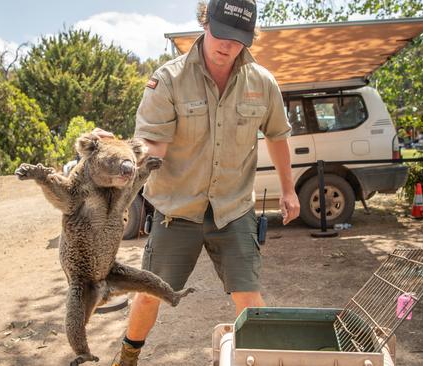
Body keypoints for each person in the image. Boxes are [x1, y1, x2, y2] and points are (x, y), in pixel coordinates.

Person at [109, 1, 300, 364]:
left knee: (248, 297)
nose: (227, 45)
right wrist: (129, 165)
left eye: (237, 39)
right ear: (204, 22)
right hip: (176, 210)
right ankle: (128, 356)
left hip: (233, 209)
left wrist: (289, 189)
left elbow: (277, 135)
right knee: (151, 292)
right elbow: (154, 144)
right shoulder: (168, 79)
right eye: (221, 33)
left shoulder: (262, 82)